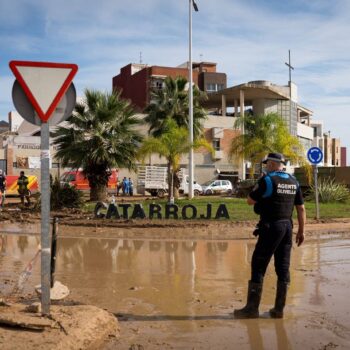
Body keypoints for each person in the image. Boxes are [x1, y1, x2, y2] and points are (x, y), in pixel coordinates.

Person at [234, 152, 306, 319]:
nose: (266, 166)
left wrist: (261, 199)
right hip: (287, 227)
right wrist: (302, 231)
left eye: (268, 163)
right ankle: (278, 310)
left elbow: (250, 200)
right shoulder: (294, 181)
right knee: (283, 266)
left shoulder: (267, 180)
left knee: (258, 264)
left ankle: (251, 309)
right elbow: (301, 208)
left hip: (271, 226)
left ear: (273, 164)